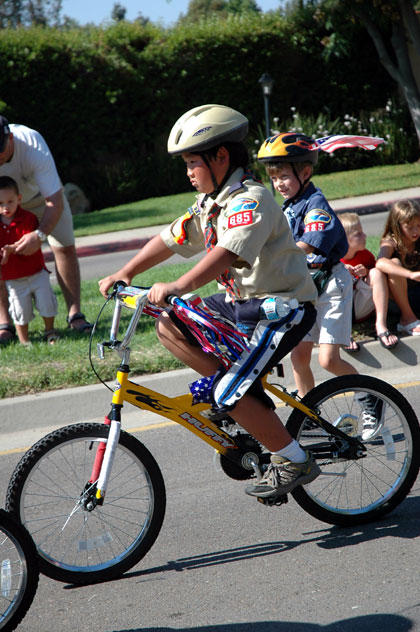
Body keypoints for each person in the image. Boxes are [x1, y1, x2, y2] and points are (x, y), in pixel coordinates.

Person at [99, 104, 321, 500]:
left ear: (220, 157)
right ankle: (243, 397)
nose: (188, 172)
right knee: (169, 323)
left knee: (226, 393)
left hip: (281, 308)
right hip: (241, 304)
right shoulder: (210, 203)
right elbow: (171, 239)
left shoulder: (249, 201)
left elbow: (224, 254)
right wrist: (126, 272)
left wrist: (179, 285)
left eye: (192, 163)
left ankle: (292, 458)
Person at [257, 132, 384, 442]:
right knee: (299, 356)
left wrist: (273, 256)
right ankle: (309, 416)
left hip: (331, 287)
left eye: (285, 176)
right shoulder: (287, 205)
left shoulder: (316, 204)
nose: (279, 184)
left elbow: (308, 246)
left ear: (305, 172)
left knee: (328, 360)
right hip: (306, 288)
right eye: (274, 178)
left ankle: (372, 399)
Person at [0, 116, 91, 345]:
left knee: (64, 248)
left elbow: (55, 200)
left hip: (43, 200)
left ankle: (75, 315)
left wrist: (39, 235)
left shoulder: (31, 142)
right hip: (4, 204)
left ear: (10, 137)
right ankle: (4, 325)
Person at [0, 176, 58, 345]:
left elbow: (28, 241)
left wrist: (12, 248)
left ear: (19, 199)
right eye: (1, 203)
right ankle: (24, 340)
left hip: (36, 272)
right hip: (13, 277)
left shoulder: (28, 218)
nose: (5, 207)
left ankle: (50, 331)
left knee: (47, 303)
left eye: (10, 201)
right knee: (20, 310)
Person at [339, 212, 398, 350]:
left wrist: (366, 271)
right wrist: (339, 270)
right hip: (338, 312)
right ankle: (342, 333)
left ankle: (381, 325)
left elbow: (378, 281)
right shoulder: (333, 258)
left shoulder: (364, 255)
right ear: (342, 239)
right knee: (334, 279)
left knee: (376, 272)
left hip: (360, 309)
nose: (364, 236)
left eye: (363, 232)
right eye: (358, 234)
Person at [375, 199, 420, 336]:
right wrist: (410, 274)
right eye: (410, 226)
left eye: (418, 225)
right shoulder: (391, 242)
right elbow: (380, 262)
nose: (416, 231)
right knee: (393, 262)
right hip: (399, 300)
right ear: (397, 225)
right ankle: (407, 319)